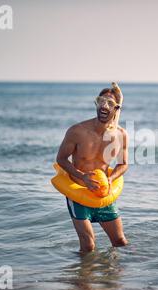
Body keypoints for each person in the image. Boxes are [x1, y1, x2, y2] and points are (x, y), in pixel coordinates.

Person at [56, 82, 129, 253]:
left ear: (117, 109)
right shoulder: (77, 131)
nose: (104, 106)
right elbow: (61, 159)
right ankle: (82, 278)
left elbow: (123, 164)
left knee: (120, 241)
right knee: (88, 244)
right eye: (101, 101)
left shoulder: (120, 135)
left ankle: (115, 278)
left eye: (110, 103)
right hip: (78, 191)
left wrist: (111, 179)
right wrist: (82, 176)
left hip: (103, 193)